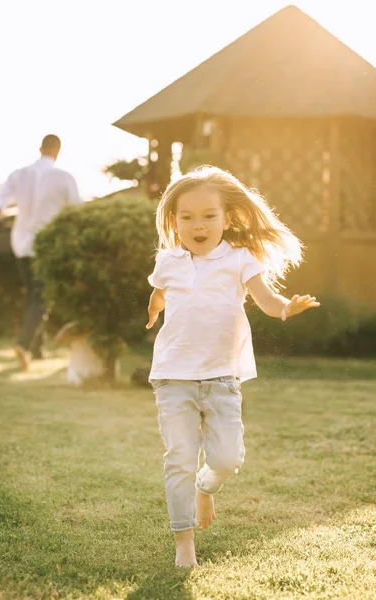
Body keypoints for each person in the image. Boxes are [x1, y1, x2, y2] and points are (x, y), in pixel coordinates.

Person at [145, 166, 320, 567]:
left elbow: (267, 298)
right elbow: (159, 293)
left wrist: (286, 309)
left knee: (226, 459)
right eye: (186, 217)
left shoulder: (240, 259)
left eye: (209, 215)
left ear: (227, 217)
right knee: (179, 459)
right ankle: (184, 545)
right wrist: (153, 311)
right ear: (174, 221)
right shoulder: (169, 259)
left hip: (222, 376)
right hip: (173, 376)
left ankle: (205, 487)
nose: (198, 225)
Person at [0, 134, 82, 370]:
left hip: (21, 245)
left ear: (40, 148)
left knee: (34, 295)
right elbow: (76, 213)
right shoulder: (64, 177)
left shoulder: (19, 175)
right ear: (57, 151)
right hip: (46, 246)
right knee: (42, 298)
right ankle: (24, 345)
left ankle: (36, 349)